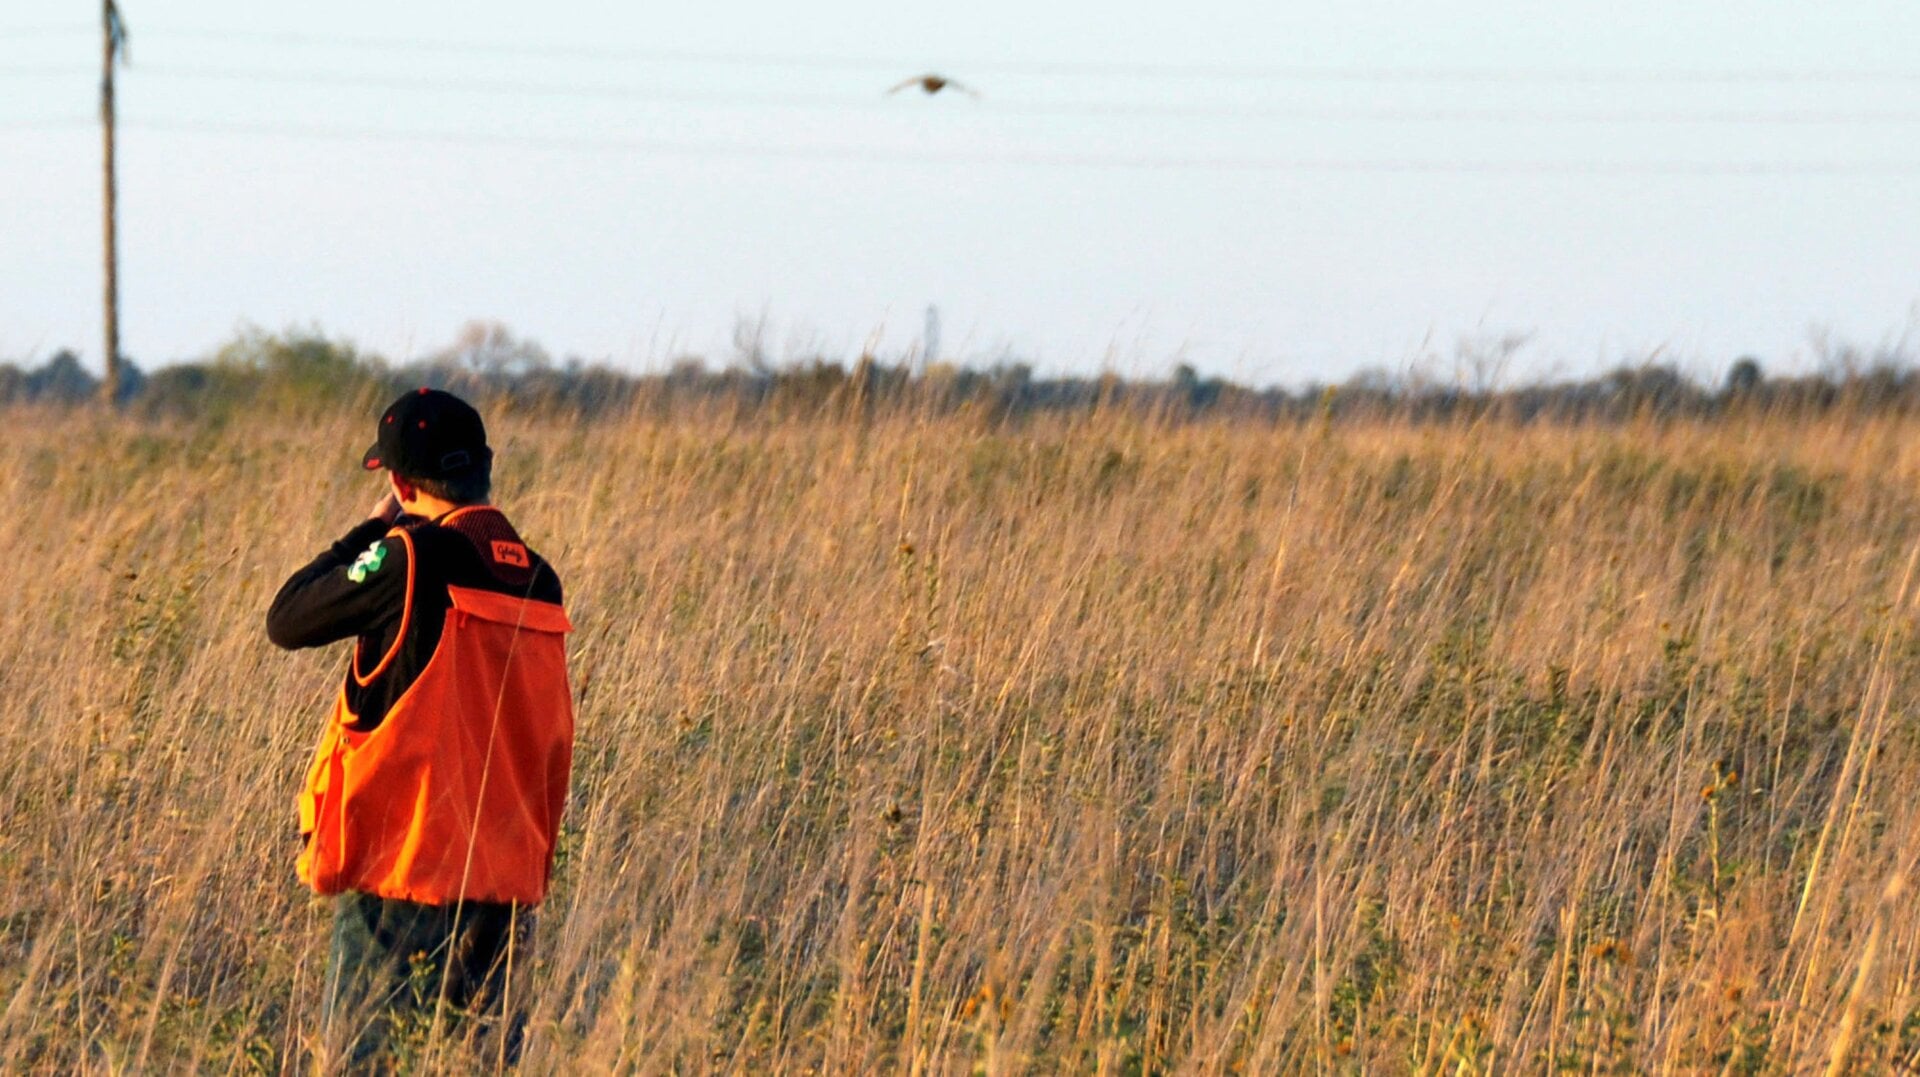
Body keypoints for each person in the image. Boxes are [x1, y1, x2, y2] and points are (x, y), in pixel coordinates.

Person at [266, 388, 574, 1068]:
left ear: (399, 483)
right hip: (503, 887)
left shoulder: (409, 555)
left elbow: (287, 618)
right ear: (487, 467)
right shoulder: (540, 579)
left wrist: (373, 529)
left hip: (403, 880)